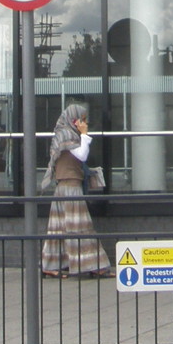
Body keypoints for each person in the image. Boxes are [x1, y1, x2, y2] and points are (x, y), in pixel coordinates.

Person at [39, 104, 111, 278]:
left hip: (67, 185)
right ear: (74, 120)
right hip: (69, 186)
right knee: (80, 225)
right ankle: (92, 265)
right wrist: (85, 135)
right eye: (83, 119)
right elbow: (81, 155)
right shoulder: (65, 134)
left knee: (60, 227)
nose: (85, 123)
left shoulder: (67, 133)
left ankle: (53, 264)